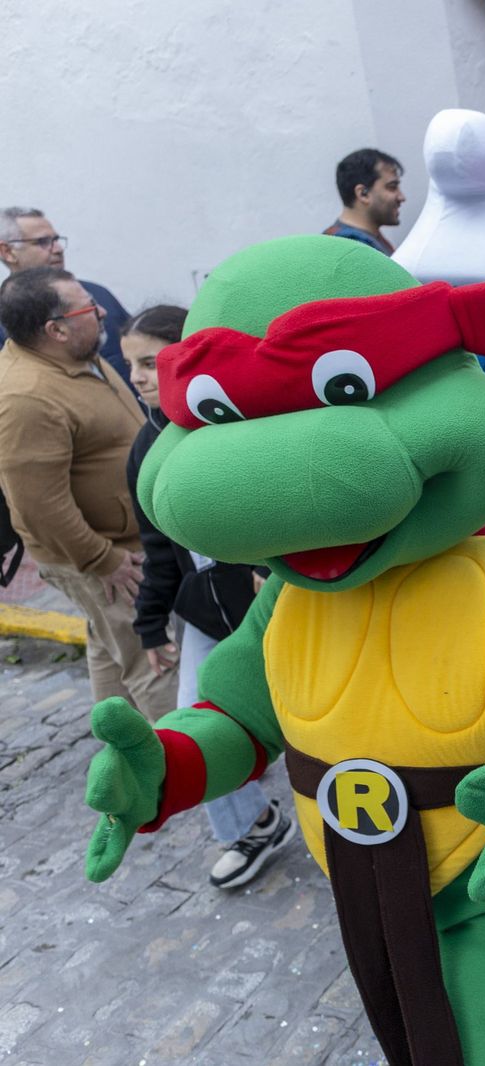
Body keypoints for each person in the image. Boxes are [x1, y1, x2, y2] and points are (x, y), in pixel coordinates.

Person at [121, 304, 295, 889]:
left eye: (149, 361)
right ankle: (253, 824)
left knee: (308, 710)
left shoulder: (234, 419)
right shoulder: (145, 444)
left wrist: (265, 565)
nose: (138, 376)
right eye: (130, 365)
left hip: (276, 601)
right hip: (203, 614)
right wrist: (150, 627)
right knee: (195, 715)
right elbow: (157, 544)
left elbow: (277, 499)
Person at [0, 268, 172, 716]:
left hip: (118, 543)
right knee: (154, 662)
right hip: (104, 553)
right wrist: (103, 561)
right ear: (55, 330)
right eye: (85, 309)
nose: (99, 311)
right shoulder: (26, 397)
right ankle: (194, 771)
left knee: (110, 647)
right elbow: (37, 505)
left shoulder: (75, 354)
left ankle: (120, 754)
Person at [0, 207, 133, 387]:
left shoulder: (98, 293)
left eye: (56, 239)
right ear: (7, 252)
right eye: (42, 241)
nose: (58, 249)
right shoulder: (5, 318)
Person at [323, 148, 405, 254]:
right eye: (392, 187)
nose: (402, 197)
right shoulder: (350, 249)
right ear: (363, 194)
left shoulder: (366, 241)